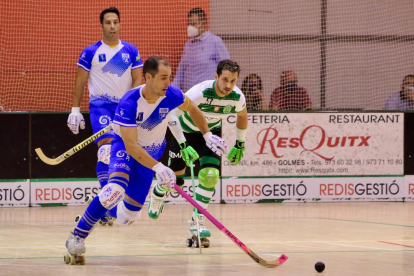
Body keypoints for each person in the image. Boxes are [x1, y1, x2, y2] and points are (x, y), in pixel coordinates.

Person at [64, 56, 227, 264]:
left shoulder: (172, 94)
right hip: (125, 148)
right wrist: (159, 168)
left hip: (151, 155)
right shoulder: (130, 102)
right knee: (114, 191)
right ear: (148, 77)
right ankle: (77, 236)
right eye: (163, 78)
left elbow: (193, 109)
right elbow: (132, 146)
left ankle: (100, 205)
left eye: (169, 78)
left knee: (128, 216)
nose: (168, 82)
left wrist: (207, 135)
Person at [148, 59, 248, 247]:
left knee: (210, 175)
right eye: (225, 79)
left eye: (233, 81)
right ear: (216, 76)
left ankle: (196, 222)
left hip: (210, 136)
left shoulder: (237, 97)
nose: (228, 85)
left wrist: (240, 143)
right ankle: (158, 192)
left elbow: (242, 116)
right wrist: (183, 144)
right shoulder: (199, 93)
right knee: (175, 181)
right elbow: (171, 115)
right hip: (184, 133)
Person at [66, 7, 143, 224]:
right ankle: (109, 206)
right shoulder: (90, 52)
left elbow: (138, 80)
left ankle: (105, 204)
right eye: (108, 22)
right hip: (100, 107)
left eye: (115, 22)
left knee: (122, 153)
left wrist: (131, 104)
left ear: (120, 24)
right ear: (101, 25)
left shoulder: (130, 50)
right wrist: (74, 110)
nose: (112, 26)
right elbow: (80, 82)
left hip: (124, 108)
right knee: (106, 151)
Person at [172, 7, 230, 92]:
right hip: (189, 96)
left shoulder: (215, 42)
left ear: (202, 24)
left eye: (193, 24)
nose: (190, 27)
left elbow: (227, 69)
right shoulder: (188, 45)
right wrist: (171, 90)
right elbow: (180, 72)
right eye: (189, 24)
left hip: (208, 96)